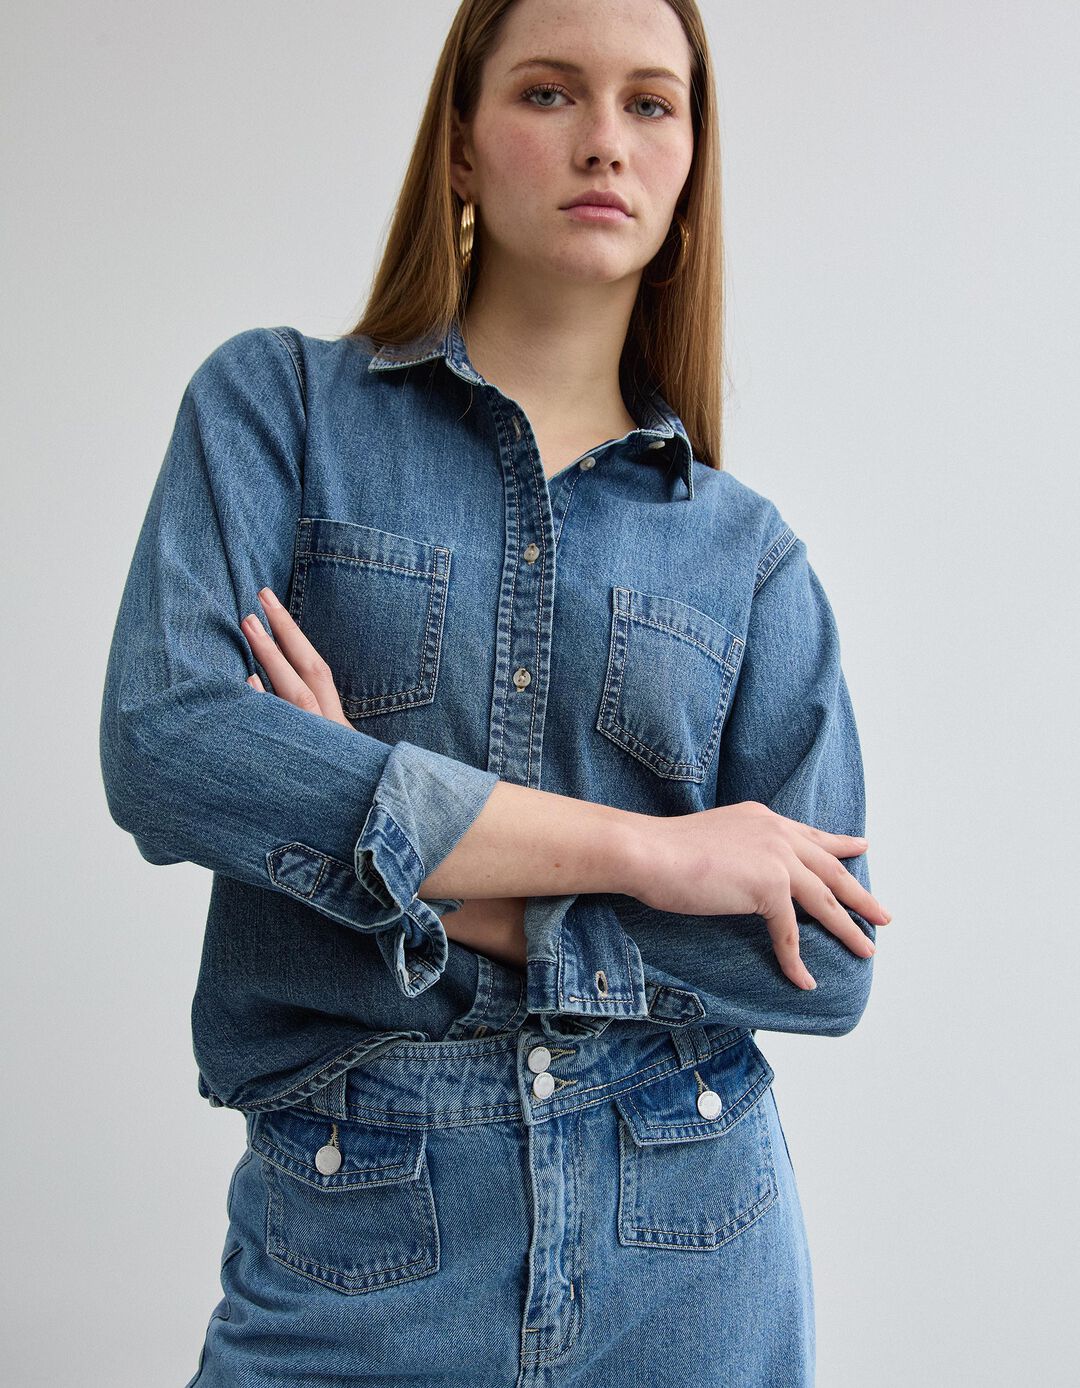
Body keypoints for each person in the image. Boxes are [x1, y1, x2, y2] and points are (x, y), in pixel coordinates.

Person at [99, 0, 890, 1383]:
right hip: (358, 1235)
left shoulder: (747, 557)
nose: (605, 142)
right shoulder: (277, 410)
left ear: (692, 161)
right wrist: (653, 851)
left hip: (690, 1236)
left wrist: (399, 850)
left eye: (652, 104)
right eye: (548, 93)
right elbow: (171, 746)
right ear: (459, 145)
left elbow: (821, 963)